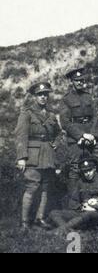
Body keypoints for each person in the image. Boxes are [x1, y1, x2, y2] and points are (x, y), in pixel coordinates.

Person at [59, 68, 98, 193]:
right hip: (76, 138)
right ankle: (74, 201)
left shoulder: (88, 96)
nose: (79, 83)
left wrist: (93, 135)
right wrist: (82, 136)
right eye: (76, 80)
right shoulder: (66, 99)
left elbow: (95, 116)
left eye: (81, 80)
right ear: (71, 82)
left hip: (92, 136)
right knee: (75, 168)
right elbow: (65, 122)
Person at [15, 82, 61, 229]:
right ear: (35, 96)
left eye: (45, 95)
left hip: (48, 155)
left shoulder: (51, 115)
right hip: (32, 155)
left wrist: (56, 142)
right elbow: (21, 136)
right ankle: (24, 222)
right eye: (40, 94)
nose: (43, 97)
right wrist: (21, 157)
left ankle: (39, 219)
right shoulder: (27, 113)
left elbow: (58, 132)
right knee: (32, 187)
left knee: (45, 188)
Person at [48, 156, 98, 235]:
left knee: (87, 214)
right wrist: (81, 207)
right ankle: (69, 231)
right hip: (82, 213)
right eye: (85, 171)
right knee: (54, 213)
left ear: (94, 169)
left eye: (89, 170)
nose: (87, 174)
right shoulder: (80, 182)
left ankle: (58, 231)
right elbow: (73, 202)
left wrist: (96, 206)